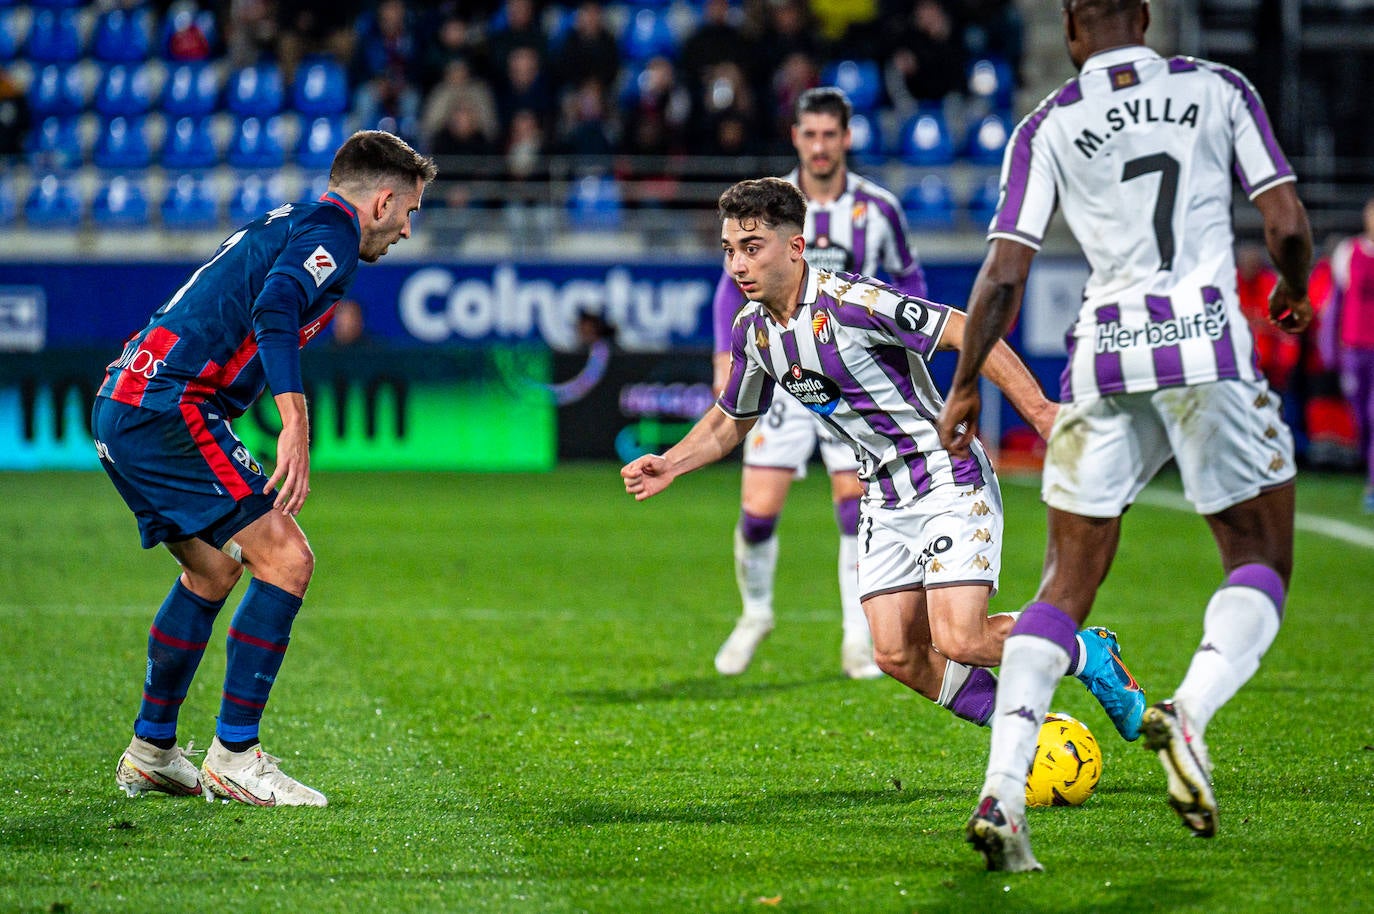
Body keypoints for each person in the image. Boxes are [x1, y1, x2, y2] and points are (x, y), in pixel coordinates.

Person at [937, 0, 1313, 872]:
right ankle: (1189, 710)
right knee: (1259, 555)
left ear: (1071, 32)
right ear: (1145, 19)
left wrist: (964, 387)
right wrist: (1291, 291)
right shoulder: (1218, 87)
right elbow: (1288, 222)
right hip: (1208, 349)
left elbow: (1003, 271)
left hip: (1104, 356)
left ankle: (1002, 789)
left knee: (1065, 584)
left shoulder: (1049, 121)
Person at [624, 177, 1145, 751]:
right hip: (884, 495)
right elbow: (730, 420)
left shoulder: (852, 303)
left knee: (961, 638)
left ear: (795, 248)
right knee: (897, 654)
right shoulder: (753, 333)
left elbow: (967, 329)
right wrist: (671, 463)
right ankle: (1032, 734)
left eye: (752, 248)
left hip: (946, 475)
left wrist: (1042, 411)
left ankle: (1086, 651)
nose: (738, 265)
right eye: (729, 250)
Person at [95, 130, 437, 807]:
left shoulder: (293, 220)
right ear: (384, 199)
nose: (405, 230)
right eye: (410, 213)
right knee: (287, 557)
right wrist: (295, 420)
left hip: (126, 401)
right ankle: (236, 756)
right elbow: (275, 307)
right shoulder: (334, 232)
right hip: (170, 405)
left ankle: (152, 750)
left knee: (213, 568)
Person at [709, 87, 927, 680]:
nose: (821, 145)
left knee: (853, 508)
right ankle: (755, 613)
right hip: (782, 373)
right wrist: (721, 357)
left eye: (831, 134)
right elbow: (731, 286)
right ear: (797, 138)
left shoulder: (878, 209)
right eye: (811, 134)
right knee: (758, 510)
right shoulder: (772, 206)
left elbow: (912, 283)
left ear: (847, 138)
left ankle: (857, 635)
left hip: (851, 377)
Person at [1321, 198, 1374, 512]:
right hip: (1356, 350)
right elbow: (1335, 305)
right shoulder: (1348, 252)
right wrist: (1330, 348)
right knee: (1362, 420)